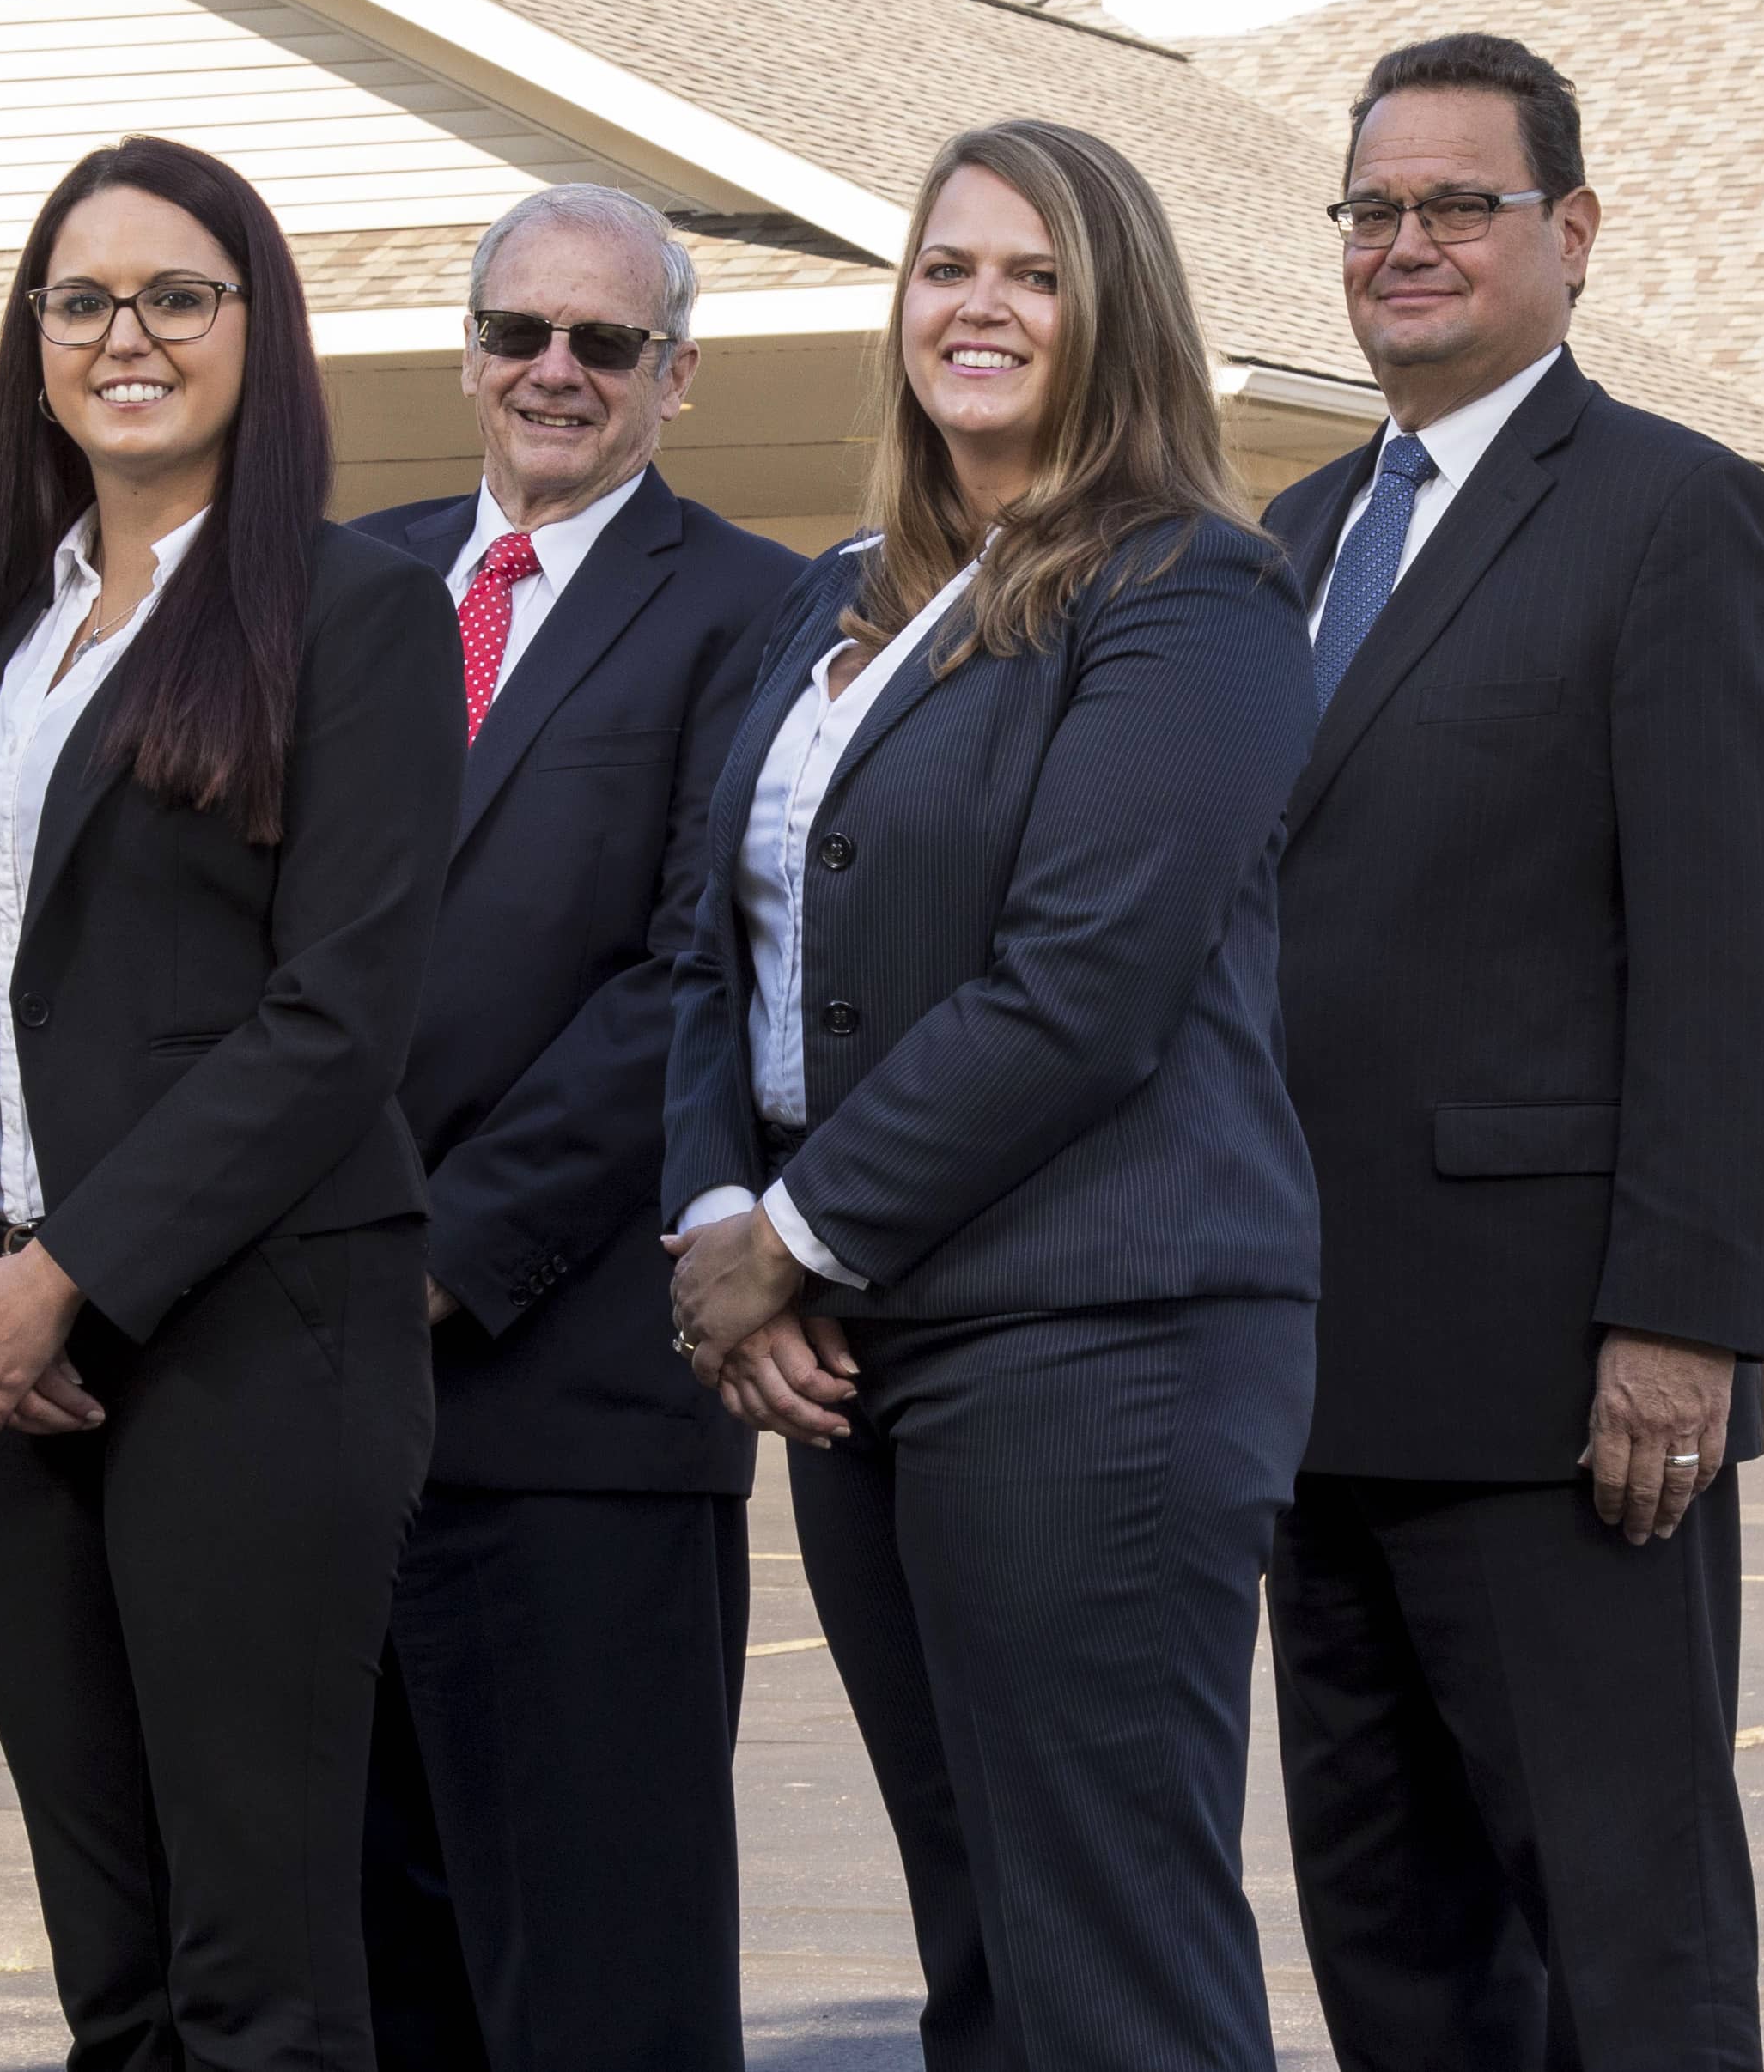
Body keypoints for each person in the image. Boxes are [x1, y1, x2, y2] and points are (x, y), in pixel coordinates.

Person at [661, 118, 1322, 2071]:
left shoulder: (1189, 592)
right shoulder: (837, 599)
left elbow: (1083, 985)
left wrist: (792, 1236)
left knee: (1103, 1948)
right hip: (863, 1345)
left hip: (1099, 1347)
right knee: (976, 1931)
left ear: (1110, 316)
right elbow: (717, 948)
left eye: (1032, 273)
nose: (978, 305)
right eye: (947, 266)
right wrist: (719, 1218)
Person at [1263, 33, 1764, 2072]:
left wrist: (1681, 1320)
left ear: (1568, 233)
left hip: (1557, 1397)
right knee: (1391, 1945)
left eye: (1454, 204)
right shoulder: (1290, 531)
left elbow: (1744, 945)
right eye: (1370, 209)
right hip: (1299, 1374)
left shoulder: (1674, 517)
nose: (1403, 243)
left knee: (1628, 1939)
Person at [0, 135, 465, 2069]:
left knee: (255, 1978)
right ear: (33, 341)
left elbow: (335, 1015)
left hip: (255, 1340)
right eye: (83, 299)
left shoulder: (352, 615)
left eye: (177, 295)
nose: (127, 335)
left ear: (254, 330)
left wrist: (72, 1277)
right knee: (108, 1976)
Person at [342, 185, 796, 2072]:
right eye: (516, 332)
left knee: (598, 1988)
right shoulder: (334, 586)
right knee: (370, 1977)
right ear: (463, 352)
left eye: (601, 343)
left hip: (573, 1402)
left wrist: (435, 1263)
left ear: (672, 378)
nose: (552, 371)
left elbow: (686, 973)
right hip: (305, 1412)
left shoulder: (761, 611)